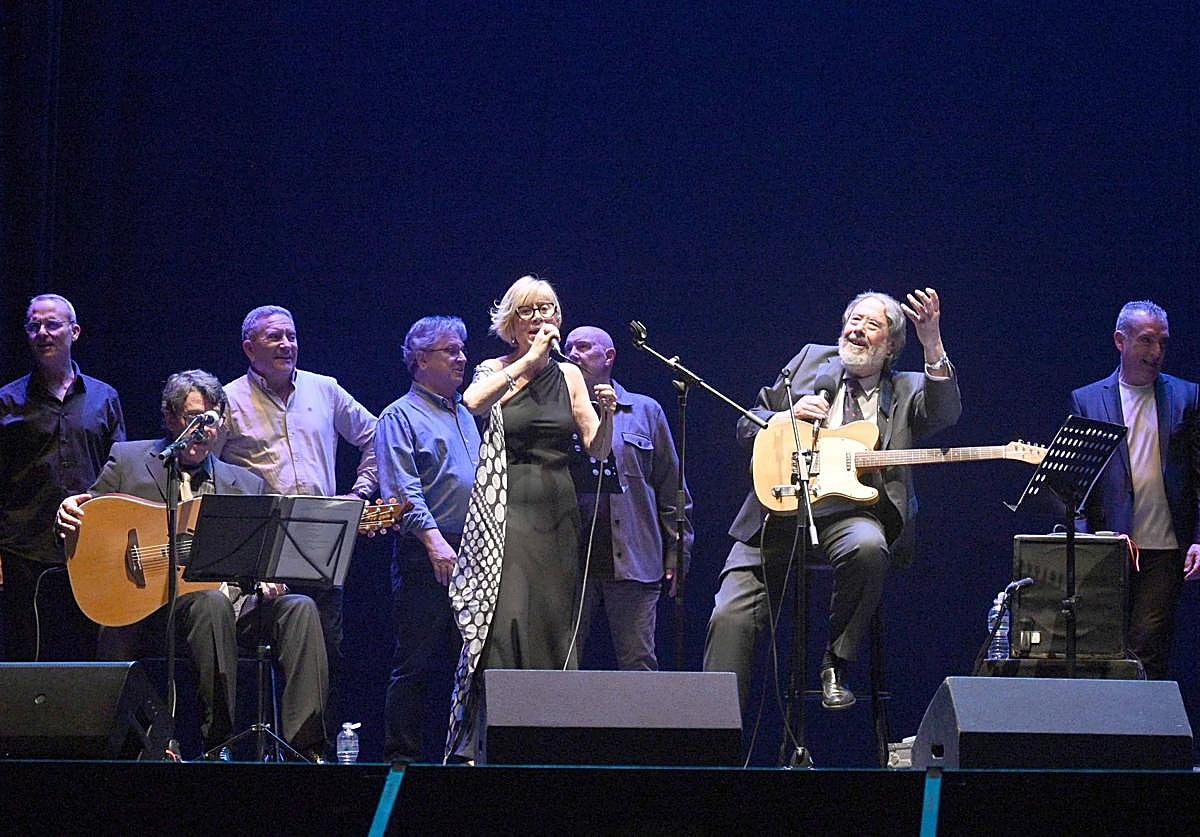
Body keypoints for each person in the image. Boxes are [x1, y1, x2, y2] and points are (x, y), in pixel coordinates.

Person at [703, 289, 961, 720]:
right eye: (853, 320)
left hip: (852, 515)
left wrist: (931, 341)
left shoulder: (907, 388)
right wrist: (782, 418)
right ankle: (711, 734)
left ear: (892, 345)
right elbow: (747, 424)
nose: (857, 329)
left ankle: (835, 663)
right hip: (780, 510)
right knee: (728, 615)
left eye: (871, 324)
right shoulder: (809, 361)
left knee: (868, 547)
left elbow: (946, 412)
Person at [56, 370, 328, 758]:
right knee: (209, 604)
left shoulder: (246, 484)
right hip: (156, 611)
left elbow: (269, 557)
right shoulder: (129, 460)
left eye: (212, 420)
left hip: (234, 607)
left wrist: (273, 581)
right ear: (170, 418)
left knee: (299, 609)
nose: (204, 431)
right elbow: (91, 521)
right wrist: (66, 513)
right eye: (193, 419)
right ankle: (220, 744)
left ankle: (308, 748)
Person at [445, 276, 616, 756]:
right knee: (507, 617)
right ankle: (494, 739)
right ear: (512, 322)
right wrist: (529, 362)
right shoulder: (495, 368)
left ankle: (550, 739)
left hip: (557, 507)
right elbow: (474, 403)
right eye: (532, 311)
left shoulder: (573, 376)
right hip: (507, 504)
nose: (544, 318)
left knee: (553, 619)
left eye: (551, 309)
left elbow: (596, 448)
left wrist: (610, 416)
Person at [215, 304, 378, 749]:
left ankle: (314, 754)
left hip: (320, 541)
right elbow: (205, 466)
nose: (286, 344)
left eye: (291, 335)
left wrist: (358, 493)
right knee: (258, 658)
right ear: (250, 348)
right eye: (274, 337)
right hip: (259, 550)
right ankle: (249, 750)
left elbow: (377, 437)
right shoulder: (227, 401)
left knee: (327, 652)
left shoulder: (324, 389)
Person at [1070, 300, 1200, 680]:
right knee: (1104, 646)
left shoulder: (1188, 397)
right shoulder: (1088, 399)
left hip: (1165, 547)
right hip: (1111, 545)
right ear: (1120, 340)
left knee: (1148, 645)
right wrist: (1083, 540)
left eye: (1162, 342)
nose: (1155, 352)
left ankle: (1146, 735)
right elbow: (1077, 481)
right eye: (1146, 341)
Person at [376, 316, 481, 764]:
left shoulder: (467, 413)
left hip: (476, 548)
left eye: (461, 349)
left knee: (471, 660)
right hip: (428, 551)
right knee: (416, 661)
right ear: (420, 360)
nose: (461, 358)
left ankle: (463, 754)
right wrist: (435, 543)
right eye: (450, 351)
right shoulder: (399, 415)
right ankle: (403, 760)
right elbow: (402, 490)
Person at [1, 293, 125, 661]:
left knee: (83, 655)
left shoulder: (104, 397)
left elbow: (119, 472)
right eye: (34, 325)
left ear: (74, 332)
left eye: (52, 324)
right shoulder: (7, 400)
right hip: (23, 549)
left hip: (90, 550)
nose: (43, 332)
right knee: (26, 656)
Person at [563, 325, 693, 671]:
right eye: (568, 347)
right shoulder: (557, 413)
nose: (573, 353)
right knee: (563, 660)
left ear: (609, 357)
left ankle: (643, 727)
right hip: (572, 561)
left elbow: (672, 488)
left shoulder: (645, 410)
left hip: (635, 558)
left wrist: (678, 551)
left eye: (584, 346)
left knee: (638, 661)